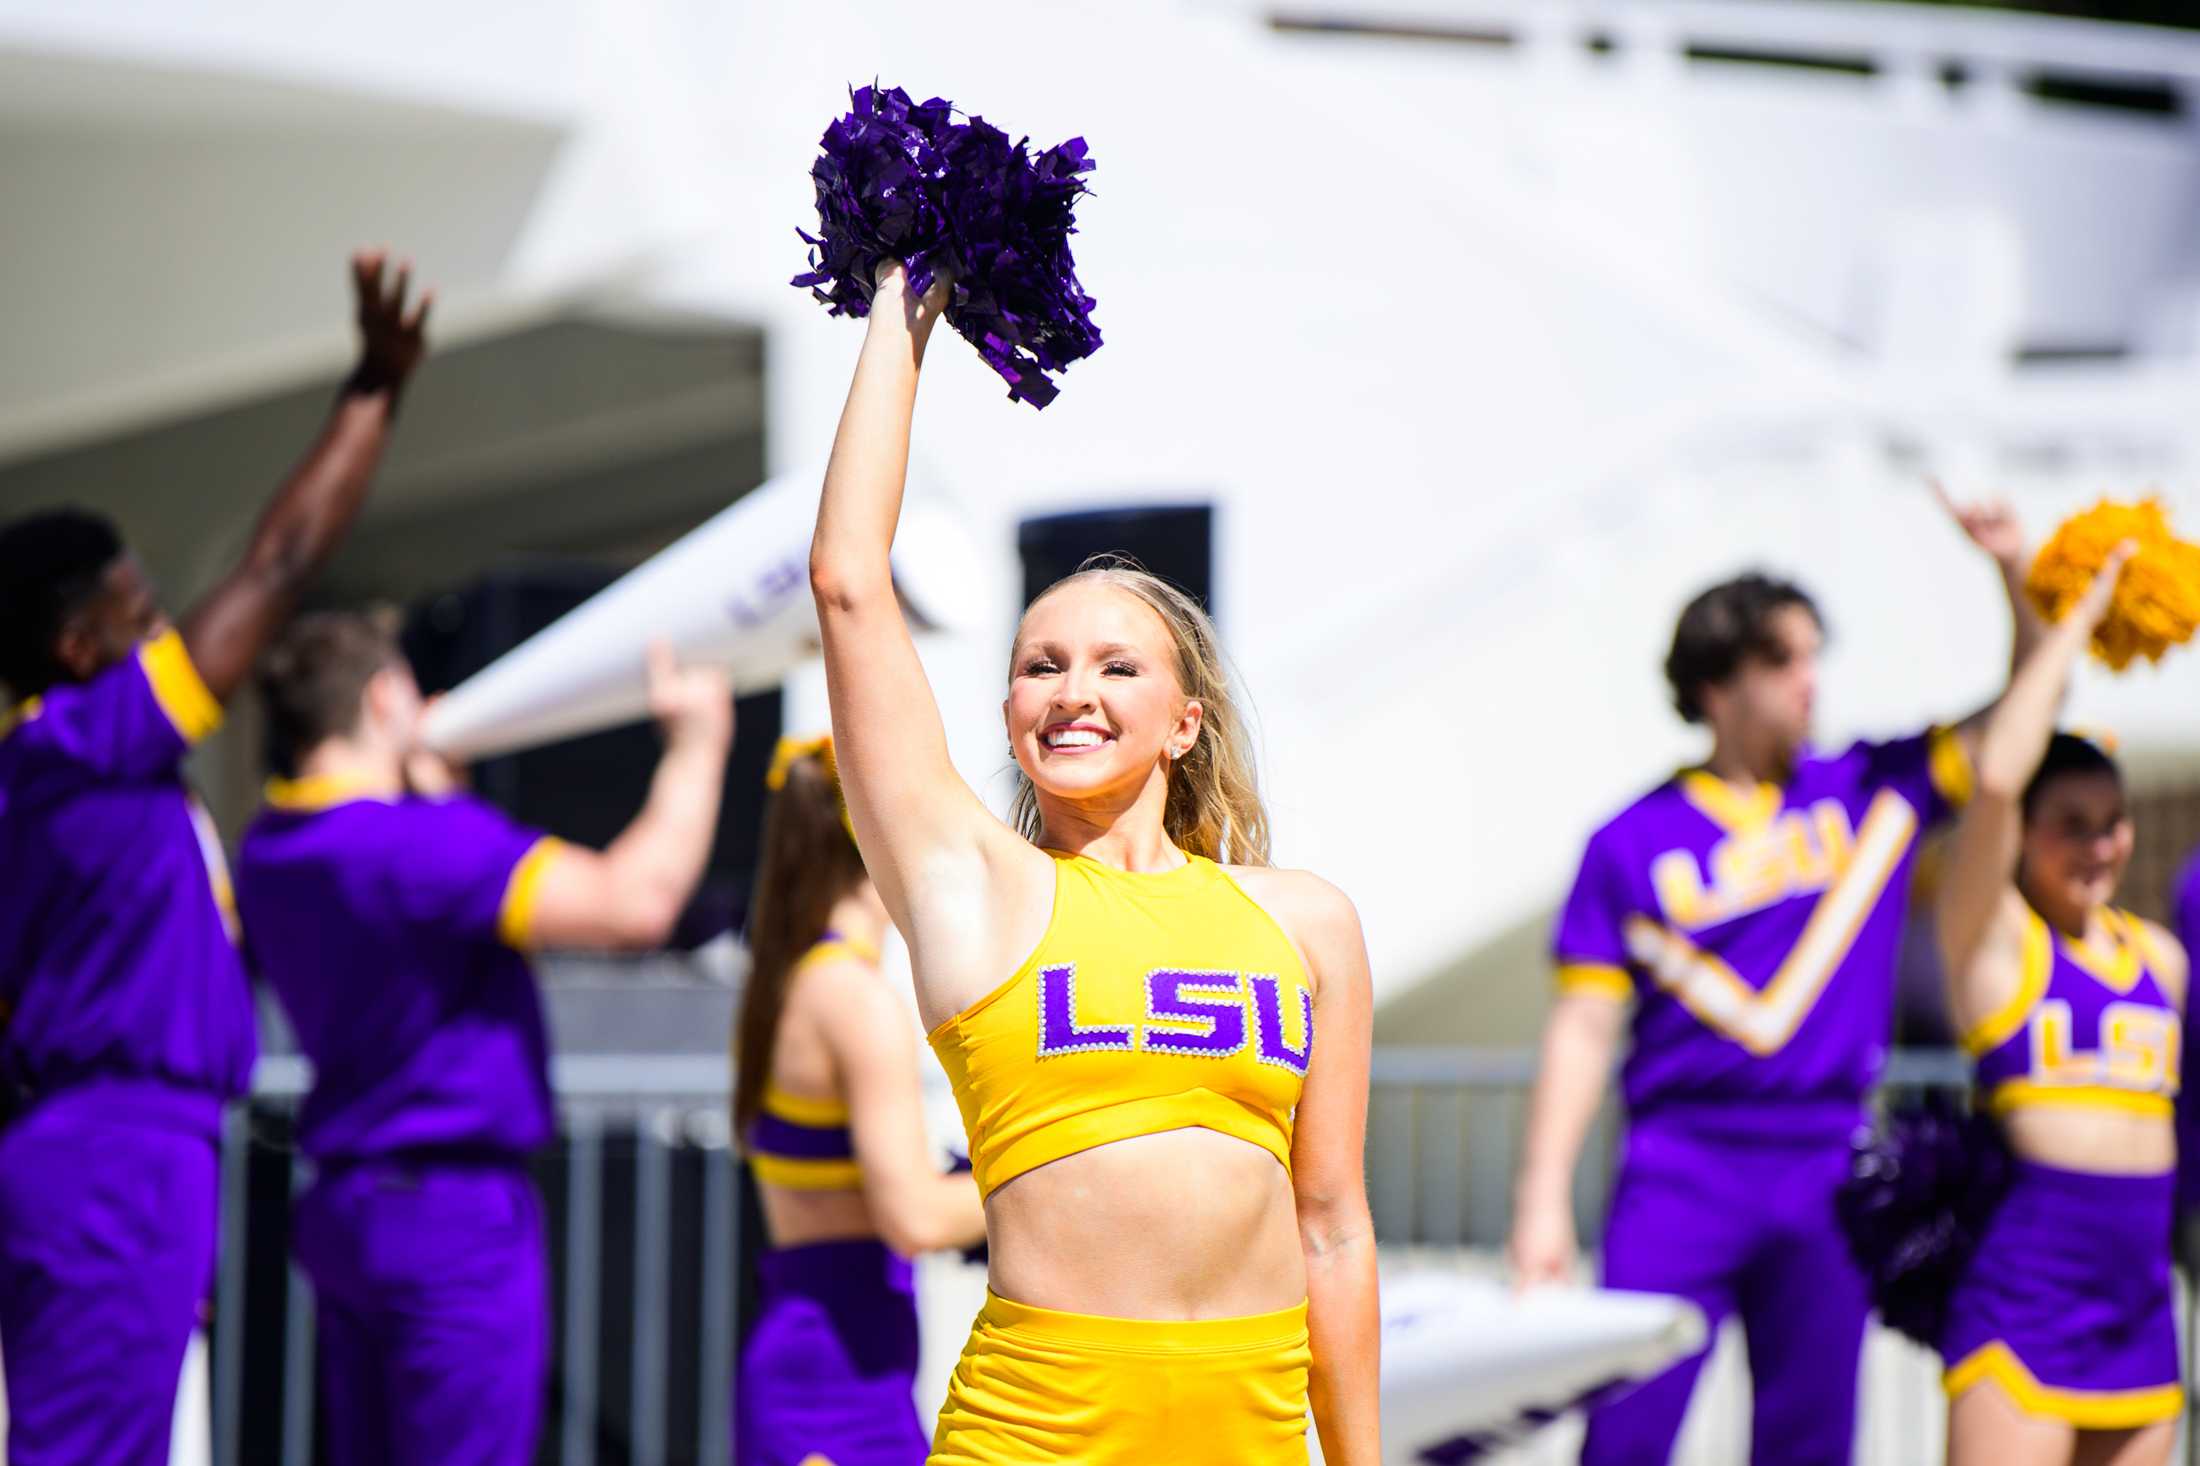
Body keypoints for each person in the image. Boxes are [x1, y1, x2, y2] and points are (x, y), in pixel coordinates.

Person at [805, 263, 1379, 1465]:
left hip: (1254, 1431)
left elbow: (1330, 1227)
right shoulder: (973, 885)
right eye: (1039, 664)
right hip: (1040, 1428)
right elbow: (851, 584)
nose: (1073, 692)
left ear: (1186, 719)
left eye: (1117, 666)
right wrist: (905, 294)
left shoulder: (1308, 922)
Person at [1508, 491, 2045, 1465]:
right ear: (1717, 685)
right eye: (1782, 660)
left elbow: (2026, 706)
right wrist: (1541, 1199)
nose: (1809, 682)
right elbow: (1581, 1026)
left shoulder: (1875, 787)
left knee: (1810, 1444)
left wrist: (2011, 570)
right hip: (1676, 1170)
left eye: (1811, 657)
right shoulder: (1628, 842)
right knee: (1624, 1436)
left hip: (1828, 1163)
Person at [0, 251, 427, 1466]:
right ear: (78, 644)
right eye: (140, 618)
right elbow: (280, 565)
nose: (166, 636)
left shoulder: (95, 778)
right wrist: (373, 391)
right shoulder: (76, 747)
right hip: (114, 1158)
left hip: (132, 1155)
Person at [233, 610, 731, 1466]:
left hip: (350, 1200)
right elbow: (632, 902)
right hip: (452, 1216)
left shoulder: (271, 848)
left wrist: (436, 794)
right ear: (386, 697)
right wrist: (697, 747)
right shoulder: (417, 843)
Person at [1936, 545, 2186, 1465]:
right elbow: (1996, 777)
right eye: (2069, 825)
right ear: (2025, 838)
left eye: (2111, 822)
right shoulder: (1995, 943)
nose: (2099, 846)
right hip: (2026, 1298)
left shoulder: (2158, 957)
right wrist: (2073, 618)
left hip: (2140, 1302)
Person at [731, 733, 987, 1466]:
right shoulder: (854, 999)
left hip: (823, 1361)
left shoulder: (790, 977)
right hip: (837, 1382)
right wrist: (1053, 1175)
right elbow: (912, 1216)